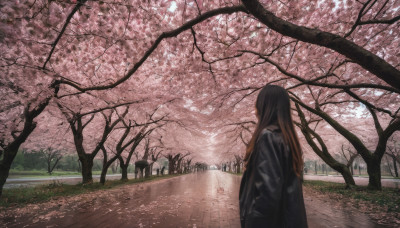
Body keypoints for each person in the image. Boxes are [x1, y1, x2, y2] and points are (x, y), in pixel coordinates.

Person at [239, 85, 308, 228]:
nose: (255, 110)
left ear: (264, 106)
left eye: (257, 105)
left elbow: (267, 196)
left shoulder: (267, 137)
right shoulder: (287, 138)